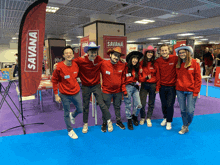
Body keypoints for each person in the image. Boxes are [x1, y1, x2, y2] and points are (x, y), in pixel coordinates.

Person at [74, 42, 113, 133]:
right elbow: (70, 62)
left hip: (96, 86)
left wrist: (120, 61)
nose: (94, 54)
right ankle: (85, 124)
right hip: (85, 86)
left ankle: (109, 121)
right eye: (92, 52)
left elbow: (107, 62)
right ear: (88, 52)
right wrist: (58, 65)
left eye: (95, 52)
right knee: (86, 106)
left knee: (102, 104)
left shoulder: (98, 59)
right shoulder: (81, 60)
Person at [51, 46, 83, 139]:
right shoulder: (58, 67)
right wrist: (56, 95)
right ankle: (70, 130)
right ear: (63, 55)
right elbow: (54, 81)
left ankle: (73, 115)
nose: (68, 54)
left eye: (70, 53)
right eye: (66, 53)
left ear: (73, 54)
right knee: (66, 113)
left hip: (76, 92)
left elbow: (86, 58)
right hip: (64, 94)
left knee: (80, 109)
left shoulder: (76, 64)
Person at [175, 45, 202, 134]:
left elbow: (198, 79)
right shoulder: (178, 63)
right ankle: (185, 126)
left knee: (190, 110)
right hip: (180, 90)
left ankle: (187, 123)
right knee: (183, 110)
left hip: (191, 91)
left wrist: (196, 92)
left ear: (188, 53)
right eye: (180, 53)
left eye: (183, 52)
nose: (181, 54)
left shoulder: (194, 63)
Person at [100, 47, 126, 131]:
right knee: (106, 107)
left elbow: (132, 65)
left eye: (118, 56)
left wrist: (125, 61)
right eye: (115, 55)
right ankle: (104, 122)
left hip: (118, 91)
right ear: (110, 55)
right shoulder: (103, 63)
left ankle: (118, 121)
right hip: (106, 91)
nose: (116, 57)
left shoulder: (122, 65)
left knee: (117, 106)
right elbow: (92, 64)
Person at [156, 44, 178, 130]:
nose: (164, 52)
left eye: (166, 50)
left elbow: (185, 59)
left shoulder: (175, 58)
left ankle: (169, 121)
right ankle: (165, 118)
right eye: (162, 50)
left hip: (172, 87)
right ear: (160, 51)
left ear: (169, 50)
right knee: (164, 104)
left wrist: (196, 60)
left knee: (170, 104)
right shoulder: (158, 60)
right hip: (162, 86)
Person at [139, 45, 160, 127]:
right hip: (144, 84)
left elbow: (158, 76)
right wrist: (144, 78)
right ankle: (143, 117)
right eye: (148, 52)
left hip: (153, 85)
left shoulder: (155, 63)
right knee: (142, 103)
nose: (150, 54)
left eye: (151, 52)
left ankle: (149, 117)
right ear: (146, 53)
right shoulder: (141, 63)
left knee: (151, 102)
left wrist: (157, 87)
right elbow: (139, 76)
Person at [122, 51, 143, 130]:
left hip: (135, 87)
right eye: (133, 58)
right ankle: (129, 120)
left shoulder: (137, 68)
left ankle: (134, 116)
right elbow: (122, 80)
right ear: (130, 59)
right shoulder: (125, 67)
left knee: (139, 105)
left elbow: (139, 79)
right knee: (128, 105)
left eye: (137, 59)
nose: (135, 60)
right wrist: (124, 91)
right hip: (127, 87)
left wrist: (144, 77)